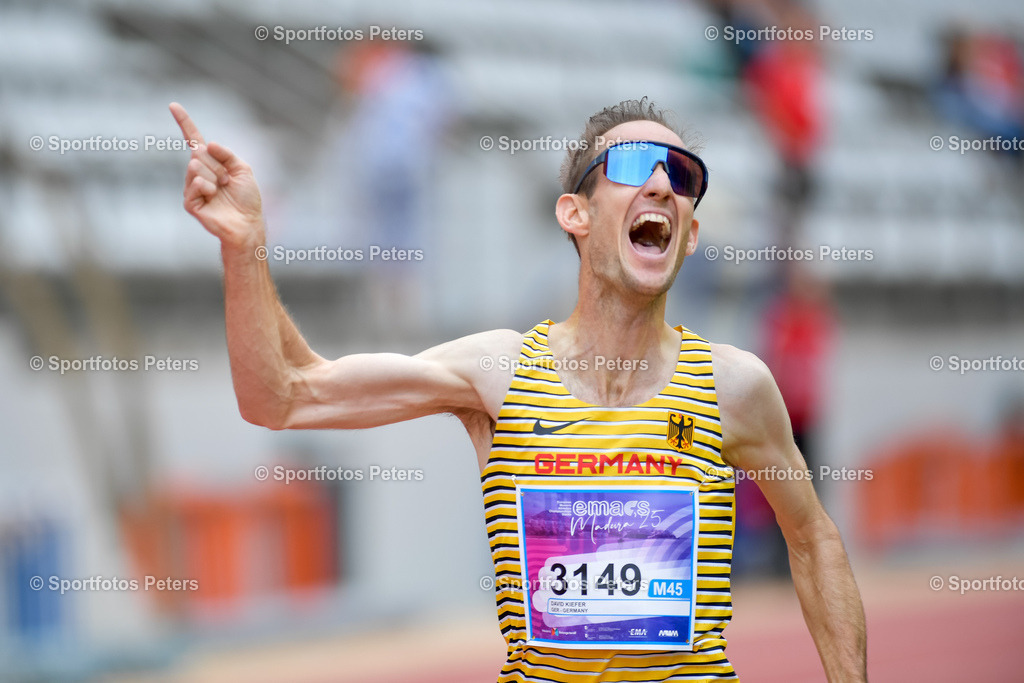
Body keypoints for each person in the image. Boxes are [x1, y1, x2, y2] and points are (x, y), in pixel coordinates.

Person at [170, 97, 866, 682]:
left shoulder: (734, 385)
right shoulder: (500, 372)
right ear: (575, 213)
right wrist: (245, 245)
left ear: (688, 236)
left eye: (683, 175)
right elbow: (283, 395)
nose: (661, 183)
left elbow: (812, 538)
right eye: (630, 166)